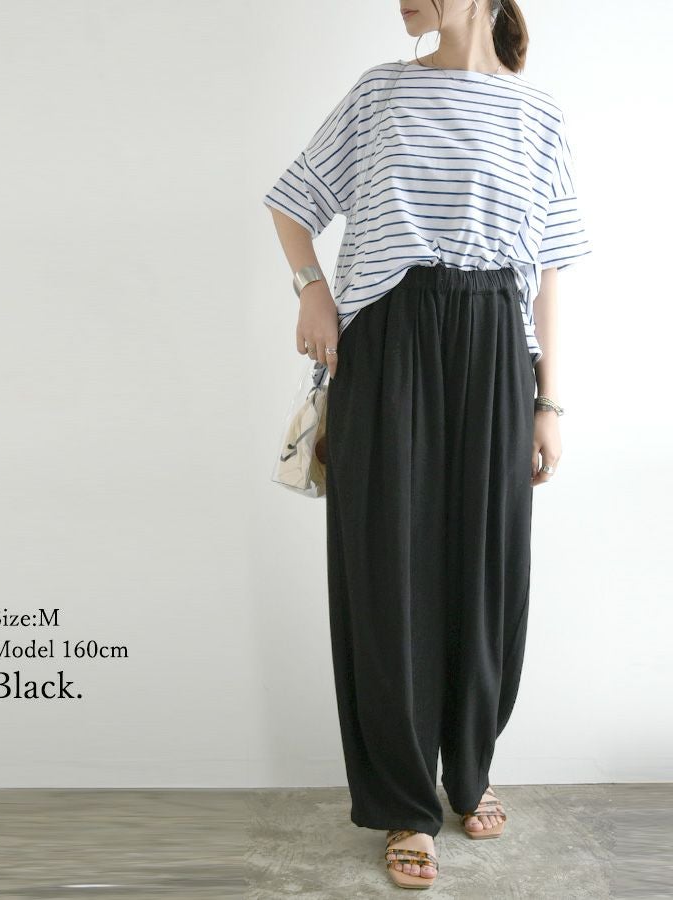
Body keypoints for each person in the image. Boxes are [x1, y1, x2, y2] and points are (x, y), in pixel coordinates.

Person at [262, 0, 592, 890]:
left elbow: (547, 274)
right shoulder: (380, 94)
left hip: (495, 345)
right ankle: (406, 802)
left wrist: (549, 401)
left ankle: (470, 768)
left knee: (487, 566)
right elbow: (291, 202)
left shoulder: (540, 113)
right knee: (389, 566)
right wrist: (312, 289)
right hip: (390, 339)